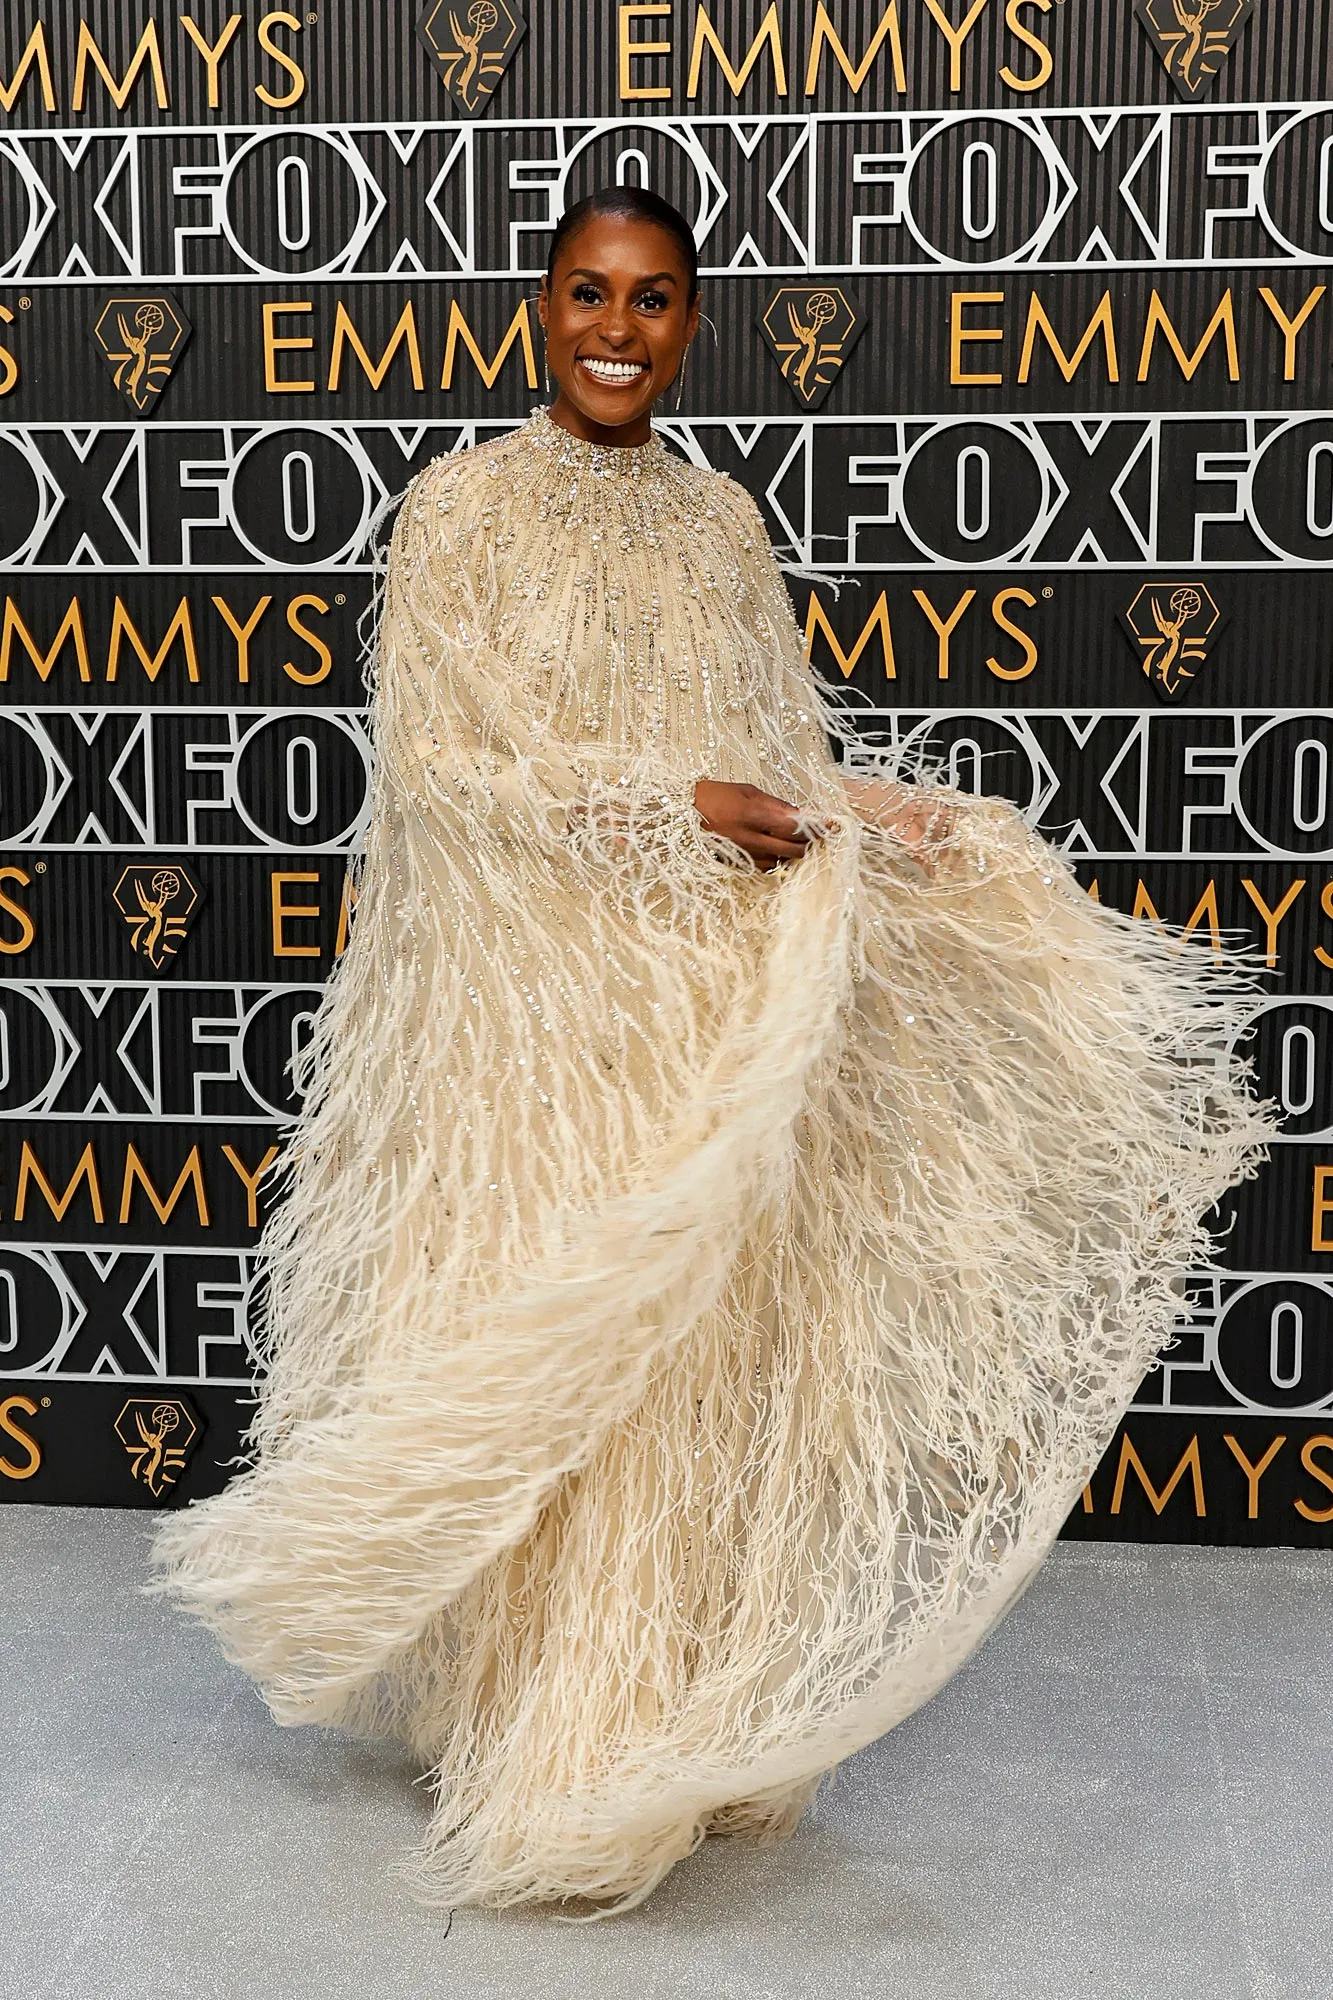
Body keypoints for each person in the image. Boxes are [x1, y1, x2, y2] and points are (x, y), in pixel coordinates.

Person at [150, 186, 1272, 1918]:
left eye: (655, 298)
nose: (619, 330)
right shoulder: (460, 510)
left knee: (682, 1369)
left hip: (701, 1009)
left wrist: (870, 816)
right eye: (590, 293)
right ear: (541, 308)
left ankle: (648, 1702)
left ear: (691, 324)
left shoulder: (725, 522)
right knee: (566, 1337)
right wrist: (668, 804)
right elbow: (447, 769)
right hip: (538, 1032)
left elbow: (773, 751)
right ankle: (545, 1726)